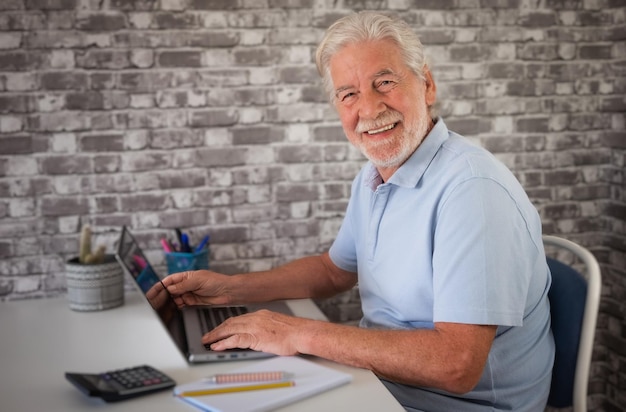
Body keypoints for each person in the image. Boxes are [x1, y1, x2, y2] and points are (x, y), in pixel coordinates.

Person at [162, 11, 555, 412]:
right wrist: (228, 291)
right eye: (348, 94)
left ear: (428, 84)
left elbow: (456, 364)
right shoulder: (374, 177)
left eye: (384, 82)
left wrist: (296, 333)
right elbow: (334, 271)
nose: (368, 108)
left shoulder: (473, 191)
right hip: (379, 383)